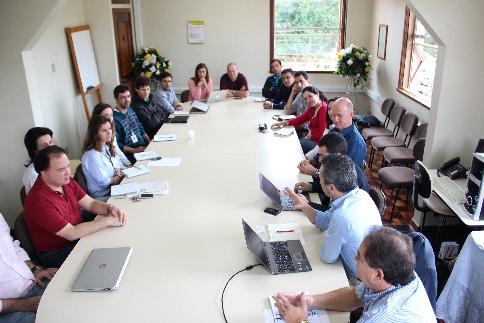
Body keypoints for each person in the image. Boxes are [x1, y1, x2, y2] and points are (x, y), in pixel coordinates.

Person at [273, 227, 436, 323]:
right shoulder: (398, 273)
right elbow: (357, 295)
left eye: (359, 258)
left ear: (378, 275)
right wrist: (309, 301)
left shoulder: (380, 317)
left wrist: (300, 321)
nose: (354, 258)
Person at [24, 145, 128, 267]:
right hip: (58, 250)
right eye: (61, 169)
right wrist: (106, 222)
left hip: (77, 232)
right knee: (109, 254)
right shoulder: (38, 201)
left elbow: (90, 203)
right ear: (44, 173)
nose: (68, 172)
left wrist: (110, 208)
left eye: (68, 166)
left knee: (116, 239)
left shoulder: (65, 181)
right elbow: (71, 233)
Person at [284, 153, 381, 279]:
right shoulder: (360, 195)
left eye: (320, 177)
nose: (318, 179)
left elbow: (327, 257)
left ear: (331, 188)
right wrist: (305, 206)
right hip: (370, 267)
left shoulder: (343, 215)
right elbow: (325, 222)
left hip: (356, 280)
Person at [0, 212, 58, 323]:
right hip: (6, 309)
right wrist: (20, 305)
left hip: (31, 284)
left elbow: (12, 245)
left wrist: (33, 269)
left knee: (76, 297)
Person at [294, 132, 369, 211]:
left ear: (337, 155)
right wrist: (310, 186)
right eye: (319, 155)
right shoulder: (338, 166)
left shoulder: (350, 180)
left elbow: (332, 214)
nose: (319, 159)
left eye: (323, 156)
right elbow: (329, 187)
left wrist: (306, 205)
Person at [81, 115, 126, 200]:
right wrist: (119, 176)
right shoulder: (92, 156)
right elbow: (104, 183)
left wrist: (118, 174)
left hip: (114, 186)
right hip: (105, 195)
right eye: (104, 130)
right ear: (95, 133)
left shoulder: (106, 146)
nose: (109, 132)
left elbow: (116, 165)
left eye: (109, 128)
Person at [271, 86, 328, 154]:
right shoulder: (313, 107)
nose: (308, 100)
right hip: (310, 138)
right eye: (306, 99)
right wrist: (283, 123)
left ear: (317, 94)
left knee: (293, 146)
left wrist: (310, 135)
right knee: (289, 142)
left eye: (310, 96)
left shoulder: (323, 108)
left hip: (319, 144)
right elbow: (300, 119)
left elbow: (322, 134)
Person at [113, 84, 151, 164]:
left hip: (142, 147)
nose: (127, 100)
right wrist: (134, 150)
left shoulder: (130, 109)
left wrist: (149, 141)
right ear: (116, 100)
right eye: (123, 97)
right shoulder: (114, 118)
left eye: (128, 96)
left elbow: (140, 127)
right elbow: (117, 144)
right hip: (131, 155)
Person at [330, 98, 366, 169]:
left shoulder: (355, 141)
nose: (335, 119)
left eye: (339, 115)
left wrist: (316, 172)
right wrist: (312, 161)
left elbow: (346, 173)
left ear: (351, 114)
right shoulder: (333, 131)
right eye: (333, 115)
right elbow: (322, 152)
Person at [91, 103, 131, 168]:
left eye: (111, 115)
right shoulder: (97, 141)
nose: (110, 118)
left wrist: (129, 164)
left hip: (121, 168)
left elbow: (118, 150)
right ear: (97, 117)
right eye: (106, 115)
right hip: (116, 173)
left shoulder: (111, 131)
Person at [22, 127, 54, 194]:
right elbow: (36, 202)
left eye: (50, 142)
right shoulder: (32, 173)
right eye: (44, 145)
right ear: (35, 151)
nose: (51, 148)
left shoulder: (54, 164)